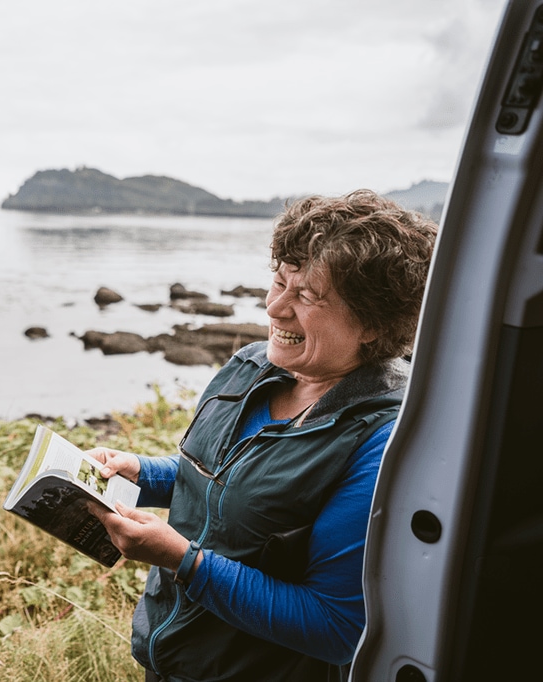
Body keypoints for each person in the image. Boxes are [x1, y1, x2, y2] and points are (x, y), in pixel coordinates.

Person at [88, 190, 437, 681]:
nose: (274, 308)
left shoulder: (381, 440)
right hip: (175, 662)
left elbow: (337, 627)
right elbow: (222, 479)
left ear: (373, 325)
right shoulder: (250, 365)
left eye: (307, 296)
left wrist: (182, 561)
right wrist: (142, 472)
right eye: (278, 282)